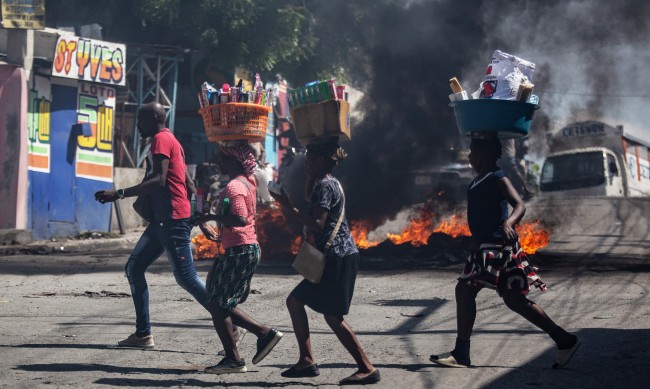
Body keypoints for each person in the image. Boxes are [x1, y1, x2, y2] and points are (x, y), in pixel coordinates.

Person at [430, 137, 581, 369]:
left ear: (485, 154)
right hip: (485, 245)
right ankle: (565, 340)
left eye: (473, 152)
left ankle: (461, 353)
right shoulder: (480, 178)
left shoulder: (496, 177)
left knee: (465, 289)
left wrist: (509, 223)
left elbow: (519, 204)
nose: (469, 156)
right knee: (514, 300)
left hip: (496, 246)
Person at [94, 102, 216, 348]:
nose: (138, 124)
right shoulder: (173, 141)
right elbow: (189, 185)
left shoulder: (161, 140)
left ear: (152, 118)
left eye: (140, 119)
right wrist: (200, 218)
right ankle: (143, 334)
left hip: (171, 220)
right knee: (134, 268)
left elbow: (160, 179)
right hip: (164, 220)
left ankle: (232, 324)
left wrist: (118, 193)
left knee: (187, 279)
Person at [270, 142, 380, 386]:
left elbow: (317, 224)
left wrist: (287, 206)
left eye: (310, 158)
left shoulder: (326, 186)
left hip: (338, 257)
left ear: (322, 160)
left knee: (332, 316)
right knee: (296, 301)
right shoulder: (326, 183)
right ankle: (307, 360)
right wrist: (308, 179)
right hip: (338, 256)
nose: (306, 162)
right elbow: (311, 197)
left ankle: (366, 367)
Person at [198, 142, 283, 374]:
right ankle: (257, 338)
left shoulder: (235, 186)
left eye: (223, 158)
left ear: (235, 162)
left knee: (218, 303)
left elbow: (241, 219)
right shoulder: (247, 182)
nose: (218, 163)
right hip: (243, 248)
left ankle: (242, 352)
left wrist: (211, 215)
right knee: (220, 302)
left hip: (241, 250)